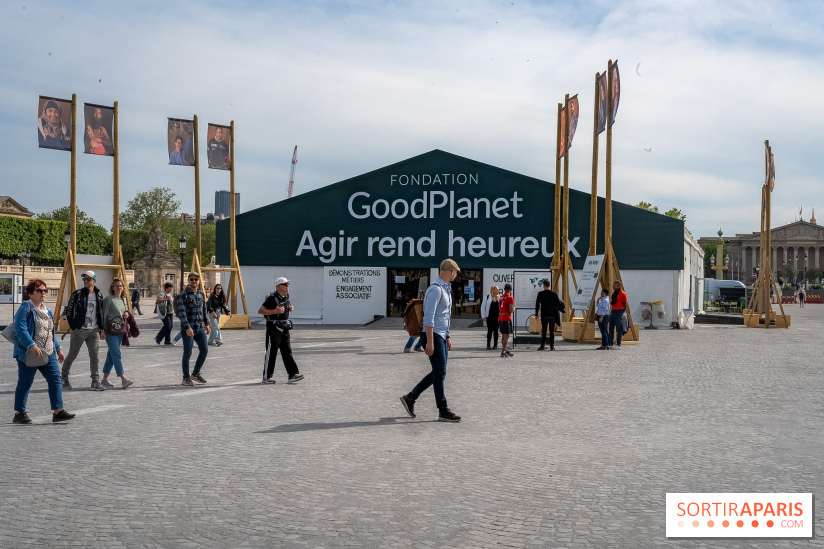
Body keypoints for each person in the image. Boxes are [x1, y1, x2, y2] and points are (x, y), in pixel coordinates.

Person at [400, 259, 461, 422]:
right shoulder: (435, 290)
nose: (456, 274)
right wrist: (430, 341)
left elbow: (444, 316)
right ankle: (443, 409)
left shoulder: (446, 289)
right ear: (450, 272)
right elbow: (429, 317)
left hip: (441, 334)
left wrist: (447, 335)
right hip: (433, 335)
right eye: (456, 271)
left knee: (439, 372)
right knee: (440, 373)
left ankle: (411, 397)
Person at [12, 279, 76, 424]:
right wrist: (31, 345)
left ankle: (58, 411)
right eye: (39, 291)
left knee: (55, 380)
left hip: (48, 351)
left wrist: (58, 348)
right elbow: (20, 329)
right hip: (30, 352)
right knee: (25, 382)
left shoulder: (47, 310)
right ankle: (19, 413)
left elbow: (51, 332)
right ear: (30, 293)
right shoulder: (25, 308)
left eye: (45, 290)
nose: (43, 293)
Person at [60, 270, 106, 391]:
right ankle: (64, 377)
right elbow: (69, 311)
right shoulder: (77, 294)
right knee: (72, 354)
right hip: (79, 330)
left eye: (88, 279)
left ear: (94, 281)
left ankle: (95, 381)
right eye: (84, 279)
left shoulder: (99, 294)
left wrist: (102, 328)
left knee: (95, 356)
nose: (85, 281)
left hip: (94, 330)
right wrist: (74, 326)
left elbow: (101, 312)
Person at [258, 277, 304, 384]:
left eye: (288, 284)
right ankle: (267, 376)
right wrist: (275, 311)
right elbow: (260, 310)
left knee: (287, 351)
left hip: (284, 326)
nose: (287, 286)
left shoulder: (286, 296)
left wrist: (290, 307)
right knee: (272, 353)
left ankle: (293, 374)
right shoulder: (272, 298)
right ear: (278, 287)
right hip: (273, 328)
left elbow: (287, 304)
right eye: (285, 284)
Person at [100, 278, 134, 389]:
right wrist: (102, 330)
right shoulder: (108, 299)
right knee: (116, 354)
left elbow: (123, 313)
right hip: (110, 330)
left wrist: (126, 317)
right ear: (112, 287)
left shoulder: (122, 300)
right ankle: (123, 378)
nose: (119, 287)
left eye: (120, 286)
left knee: (111, 355)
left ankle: (105, 379)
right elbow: (103, 316)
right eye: (116, 285)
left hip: (120, 330)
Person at [178, 272, 211, 386]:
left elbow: (204, 310)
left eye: (196, 279)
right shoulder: (183, 294)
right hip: (188, 328)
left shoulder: (201, 294)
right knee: (187, 353)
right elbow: (182, 313)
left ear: (199, 281)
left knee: (205, 350)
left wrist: (207, 323)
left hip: (199, 327)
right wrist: (187, 327)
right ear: (188, 281)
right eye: (191, 279)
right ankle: (186, 378)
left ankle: (195, 373)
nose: (194, 281)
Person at [534, 279, 564, 351]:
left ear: (543, 286)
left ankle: (542, 346)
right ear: (549, 286)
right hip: (552, 315)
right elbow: (558, 304)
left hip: (544, 315)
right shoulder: (554, 294)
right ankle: (552, 346)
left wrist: (536, 314)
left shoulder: (540, 294)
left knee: (544, 331)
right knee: (551, 331)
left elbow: (537, 304)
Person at [608, 280, 628, 350]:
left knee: (619, 328)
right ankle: (611, 343)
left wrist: (622, 312)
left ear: (618, 285)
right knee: (611, 327)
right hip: (613, 311)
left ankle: (618, 344)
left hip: (619, 311)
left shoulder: (622, 294)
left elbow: (625, 304)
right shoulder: (614, 293)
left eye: (614, 285)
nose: (613, 286)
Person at [498, 283, 515, 357]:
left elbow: (500, 307)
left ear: (504, 289)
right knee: (506, 336)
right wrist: (514, 308)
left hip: (500, 318)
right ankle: (503, 351)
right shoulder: (510, 298)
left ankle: (505, 349)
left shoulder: (501, 297)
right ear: (511, 290)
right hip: (506, 318)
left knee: (503, 335)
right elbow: (511, 310)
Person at [480, 285, 500, 350]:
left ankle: (495, 345)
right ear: (493, 290)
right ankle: (488, 345)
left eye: (498, 290)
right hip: (489, 317)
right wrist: (483, 316)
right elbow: (483, 307)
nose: (498, 291)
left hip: (497, 317)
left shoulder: (499, 298)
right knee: (489, 331)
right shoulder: (487, 297)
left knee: (496, 331)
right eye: (497, 290)